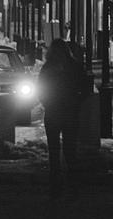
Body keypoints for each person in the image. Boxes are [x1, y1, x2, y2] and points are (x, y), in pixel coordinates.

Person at [38, 39, 88, 198]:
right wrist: (77, 101)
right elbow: (85, 87)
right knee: (70, 149)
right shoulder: (75, 66)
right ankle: (73, 183)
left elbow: (41, 88)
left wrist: (46, 102)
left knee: (53, 150)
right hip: (70, 111)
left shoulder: (47, 68)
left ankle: (55, 184)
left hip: (53, 111)